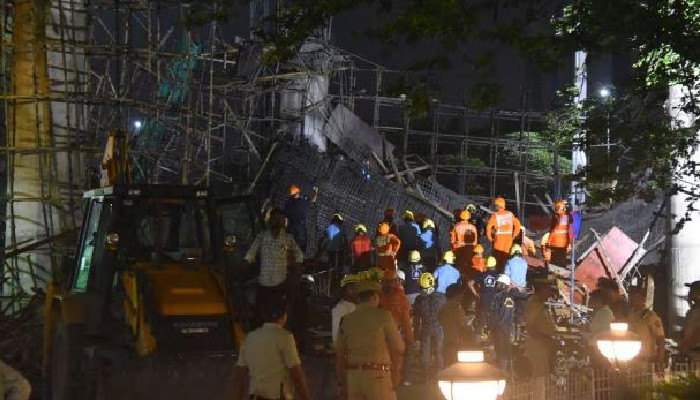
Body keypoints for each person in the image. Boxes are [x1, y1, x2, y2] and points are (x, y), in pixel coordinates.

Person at [336, 280, 405, 400]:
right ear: (374, 297)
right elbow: (399, 348)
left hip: (353, 378)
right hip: (377, 377)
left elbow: (340, 355)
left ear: (358, 299)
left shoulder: (346, 320)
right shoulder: (384, 316)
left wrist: (341, 383)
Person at [233, 300, 311, 400]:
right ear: (284, 316)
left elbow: (240, 376)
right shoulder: (285, 337)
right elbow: (296, 374)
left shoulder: (249, 338)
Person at [245, 211, 304, 323]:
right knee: (261, 314)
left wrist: (295, 270)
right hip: (264, 283)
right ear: (270, 220)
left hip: (281, 283)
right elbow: (250, 255)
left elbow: (299, 255)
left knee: (282, 312)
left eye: (281, 219)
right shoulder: (262, 237)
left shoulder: (287, 238)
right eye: (276, 219)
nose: (279, 222)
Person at [490, 274, 527, 370]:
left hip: (502, 329)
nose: (497, 286)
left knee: (502, 352)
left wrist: (500, 326)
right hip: (503, 328)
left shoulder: (505, 297)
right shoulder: (501, 296)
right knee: (504, 351)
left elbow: (505, 313)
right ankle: (508, 373)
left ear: (504, 285)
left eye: (499, 284)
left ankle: (503, 373)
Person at [525, 278, 556, 378]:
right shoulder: (534, 304)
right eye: (548, 290)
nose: (550, 293)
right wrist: (542, 338)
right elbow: (530, 325)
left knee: (543, 375)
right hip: (538, 345)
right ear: (542, 290)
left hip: (542, 344)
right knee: (539, 376)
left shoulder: (539, 304)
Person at [413, 273, 445, 372]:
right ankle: (440, 373)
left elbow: (417, 318)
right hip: (439, 328)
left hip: (426, 329)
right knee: (439, 352)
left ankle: (425, 374)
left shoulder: (419, 299)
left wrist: (416, 333)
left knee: (425, 354)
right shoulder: (441, 297)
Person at [628, 286, 665, 365]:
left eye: (635, 296)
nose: (631, 299)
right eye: (630, 296)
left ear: (643, 299)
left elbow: (660, 338)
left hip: (645, 360)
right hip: (631, 359)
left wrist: (660, 359)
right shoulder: (630, 315)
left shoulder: (650, 316)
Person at [486, 197, 521, 272]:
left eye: (496, 205)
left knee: (497, 259)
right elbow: (517, 224)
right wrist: (514, 235)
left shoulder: (495, 215)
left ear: (498, 206)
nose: (495, 206)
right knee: (506, 259)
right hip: (509, 240)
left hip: (499, 240)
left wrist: (490, 238)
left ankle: (497, 273)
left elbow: (488, 227)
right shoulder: (510, 214)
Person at [468, 256, 499, 336]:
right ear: (495, 265)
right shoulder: (498, 275)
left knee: (482, 318)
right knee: (493, 318)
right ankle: (491, 336)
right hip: (494, 300)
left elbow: (470, 283)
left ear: (487, 265)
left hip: (483, 300)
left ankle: (478, 336)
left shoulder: (482, 275)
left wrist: (476, 293)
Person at [439, 283, 468, 367]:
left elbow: (439, 319)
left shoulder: (443, 306)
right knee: (454, 366)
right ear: (457, 295)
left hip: (444, 340)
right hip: (454, 341)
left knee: (446, 365)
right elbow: (463, 324)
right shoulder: (456, 307)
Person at [284, 184, 317, 253]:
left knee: (290, 249)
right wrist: (316, 191)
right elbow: (313, 200)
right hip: (300, 229)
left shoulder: (287, 204)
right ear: (297, 193)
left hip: (291, 228)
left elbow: (286, 218)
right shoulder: (303, 202)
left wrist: (286, 230)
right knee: (301, 249)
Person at [585, 290, 615, 368]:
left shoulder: (604, 313)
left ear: (598, 300)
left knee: (599, 369)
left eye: (591, 299)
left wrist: (584, 333)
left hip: (599, 348)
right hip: (597, 347)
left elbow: (597, 333)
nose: (589, 301)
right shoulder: (600, 313)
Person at [319, 213, 348, 281]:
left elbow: (323, 239)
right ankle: (339, 276)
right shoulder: (342, 227)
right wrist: (346, 248)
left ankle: (331, 276)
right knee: (340, 263)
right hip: (340, 249)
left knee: (331, 263)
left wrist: (321, 248)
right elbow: (345, 239)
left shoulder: (328, 227)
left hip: (330, 249)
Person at [332, 276, 359, 346]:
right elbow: (336, 334)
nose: (356, 291)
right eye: (352, 288)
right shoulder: (340, 308)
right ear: (345, 290)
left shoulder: (357, 305)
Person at [680, 281, 700, 360]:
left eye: (692, 290)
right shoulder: (690, 312)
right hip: (689, 352)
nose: (689, 293)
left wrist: (686, 345)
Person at [548, 200, 571, 266]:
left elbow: (553, 231)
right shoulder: (567, 217)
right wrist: (569, 243)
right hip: (564, 243)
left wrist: (548, 242)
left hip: (555, 243)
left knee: (554, 261)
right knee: (562, 260)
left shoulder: (556, 218)